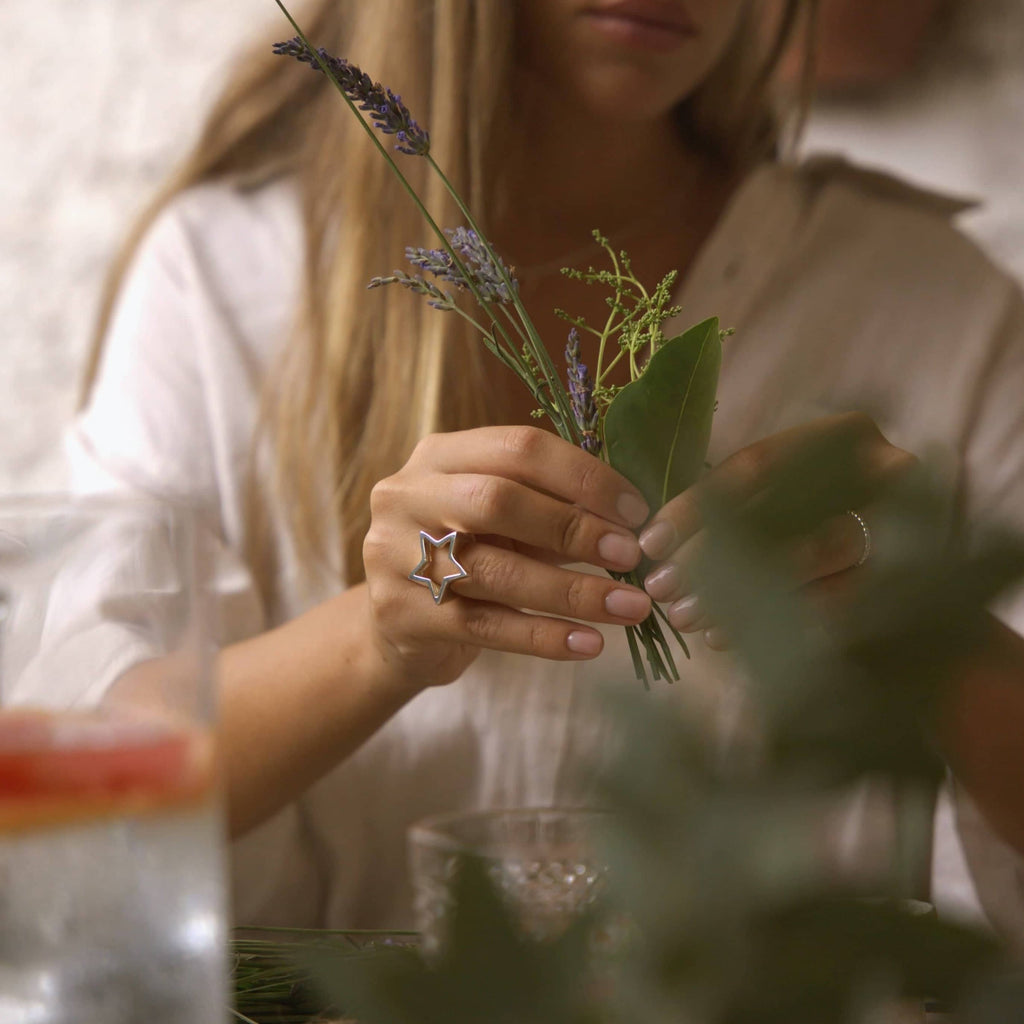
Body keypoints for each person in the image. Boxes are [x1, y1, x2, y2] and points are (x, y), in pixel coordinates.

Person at [64, 0, 1024, 937]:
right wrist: (378, 639)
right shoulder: (225, 277)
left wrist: (928, 618)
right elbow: (81, 791)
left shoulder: (935, 302)